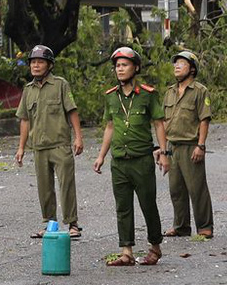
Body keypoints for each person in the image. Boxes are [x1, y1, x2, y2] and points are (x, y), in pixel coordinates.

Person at [91, 45, 169, 267]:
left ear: (135, 68)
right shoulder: (111, 97)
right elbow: (109, 127)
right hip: (119, 161)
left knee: (148, 204)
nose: (120, 69)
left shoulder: (148, 95)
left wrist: (163, 153)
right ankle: (126, 251)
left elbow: (159, 124)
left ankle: (155, 246)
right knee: (123, 206)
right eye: (117, 66)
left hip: (142, 160)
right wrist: (101, 156)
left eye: (125, 65)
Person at [14, 43, 83, 238]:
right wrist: (21, 148)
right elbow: (25, 120)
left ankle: (72, 224)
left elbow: (72, 111)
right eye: (33, 62)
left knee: (66, 185)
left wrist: (78, 137)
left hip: (60, 144)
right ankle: (49, 224)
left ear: (49, 65)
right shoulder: (28, 90)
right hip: (39, 147)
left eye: (40, 62)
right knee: (44, 188)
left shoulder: (60, 85)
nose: (35, 66)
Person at [163, 48, 214, 240]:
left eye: (181, 63)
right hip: (172, 145)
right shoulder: (169, 92)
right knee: (176, 189)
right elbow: (163, 122)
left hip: (191, 145)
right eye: (175, 63)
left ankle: (205, 226)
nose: (176, 66)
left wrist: (200, 145)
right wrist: (162, 148)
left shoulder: (200, 91)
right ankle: (181, 226)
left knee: (197, 188)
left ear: (192, 69)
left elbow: (204, 119)